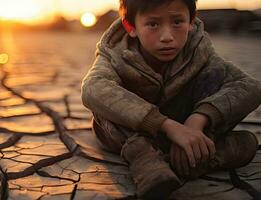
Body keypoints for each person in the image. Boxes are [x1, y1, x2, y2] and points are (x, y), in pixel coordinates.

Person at [81, 0, 261, 199]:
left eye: (177, 22)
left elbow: (250, 86)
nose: (167, 37)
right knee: (104, 105)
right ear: (130, 26)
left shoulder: (199, 51)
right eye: (153, 24)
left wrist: (197, 121)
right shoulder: (114, 54)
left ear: (191, 20)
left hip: (188, 130)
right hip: (133, 136)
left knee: (216, 79)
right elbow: (92, 88)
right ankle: (149, 160)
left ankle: (190, 155)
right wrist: (166, 125)